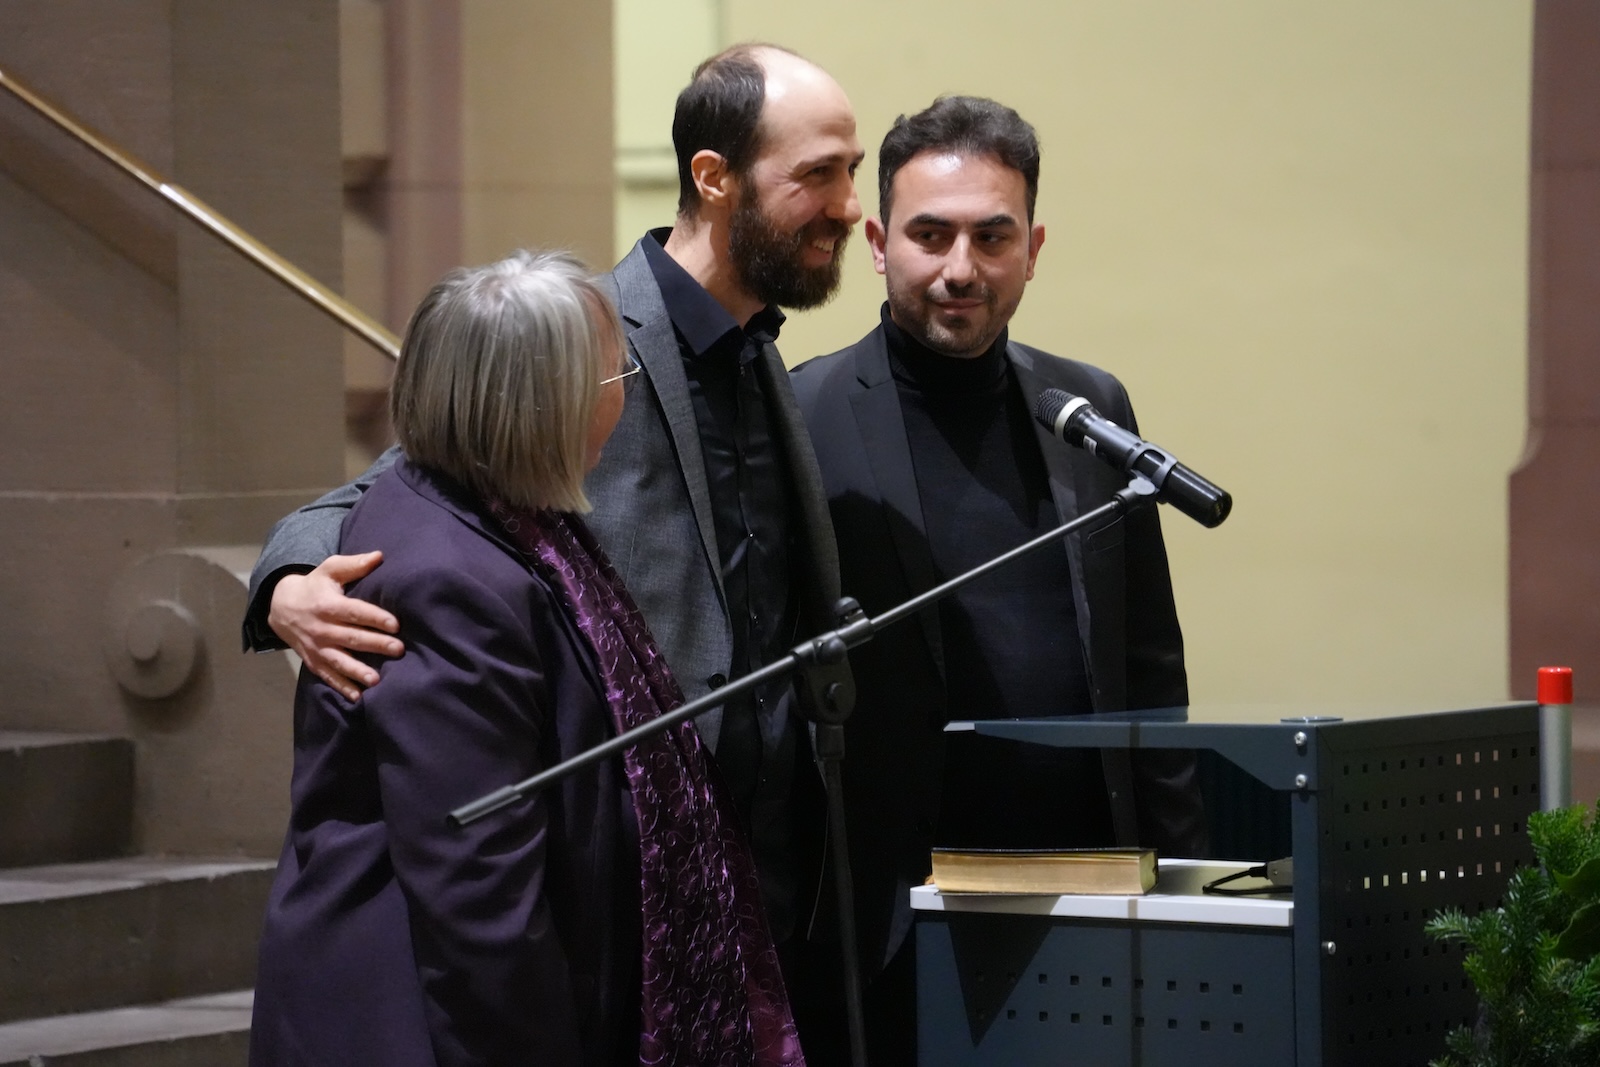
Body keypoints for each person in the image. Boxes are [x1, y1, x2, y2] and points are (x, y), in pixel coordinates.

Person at [241, 44, 861, 1059]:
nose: (848, 205)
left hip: (752, 872)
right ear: (716, 178)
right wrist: (286, 581)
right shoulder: (580, 334)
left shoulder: (761, 352)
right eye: (818, 174)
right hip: (614, 878)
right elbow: (406, 481)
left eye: (851, 169)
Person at [788, 95, 1209, 1064]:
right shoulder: (804, 410)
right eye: (930, 235)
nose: (960, 268)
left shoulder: (1090, 404)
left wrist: (1183, 880)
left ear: (1033, 247)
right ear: (879, 243)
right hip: (894, 906)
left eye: (992, 236)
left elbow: (1149, 661)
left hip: (1089, 887)